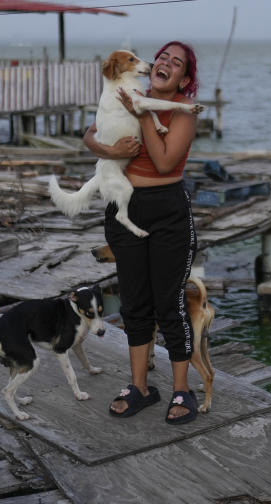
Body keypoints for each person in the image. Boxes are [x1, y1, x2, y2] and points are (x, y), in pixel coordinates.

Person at [83, 40, 201, 425]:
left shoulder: (181, 112)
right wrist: (102, 147)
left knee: (169, 303)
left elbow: (166, 162)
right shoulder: (132, 93)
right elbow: (91, 134)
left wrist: (144, 114)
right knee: (134, 302)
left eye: (176, 62)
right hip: (125, 211)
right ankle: (141, 387)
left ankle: (183, 389)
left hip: (168, 212)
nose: (165, 63)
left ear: (184, 76)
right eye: (163, 57)